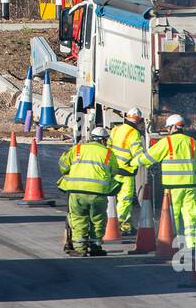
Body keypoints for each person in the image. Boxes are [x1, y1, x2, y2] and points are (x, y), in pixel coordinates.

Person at [58, 126, 123, 257]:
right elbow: (114, 171)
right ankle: (95, 246)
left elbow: (63, 166)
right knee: (98, 220)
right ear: (104, 141)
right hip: (98, 194)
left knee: (78, 219)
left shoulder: (77, 149)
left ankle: (79, 248)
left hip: (76, 192)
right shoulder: (108, 153)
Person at [144, 113, 196, 247]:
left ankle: (174, 243)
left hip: (172, 186)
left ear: (173, 128)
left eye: (168, 128)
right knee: (190, 215)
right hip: (189, 185)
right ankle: (191, 243)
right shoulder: (192, 142)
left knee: (172, 214)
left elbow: (149, 157)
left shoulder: (167, 142)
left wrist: (133, 162)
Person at [109, 108, 151, 238]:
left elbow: (109, 147)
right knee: (125, 200)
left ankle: (118, 224)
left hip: (113, 169)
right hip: (126, 171)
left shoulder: (115, 129)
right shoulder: (134, 134)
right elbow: (138, 154)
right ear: (138, 120)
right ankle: (121, 225)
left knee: (112, 198)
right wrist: (149, 163)